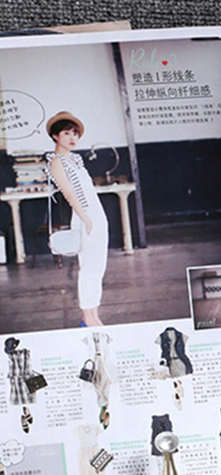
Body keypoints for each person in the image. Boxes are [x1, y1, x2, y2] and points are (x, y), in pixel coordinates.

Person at [45, 111, 109, 328]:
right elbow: (70, 194)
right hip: (85, 217)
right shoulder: (56, 162)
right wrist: (87, 220)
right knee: (89, 267)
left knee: (98, 267)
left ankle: (94, 314)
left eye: (75, 133)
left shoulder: (75, 160)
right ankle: (87, 317)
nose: (72, 137)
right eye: (66, 133)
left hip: (96, 214)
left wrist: (96, 219)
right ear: (55, 136)